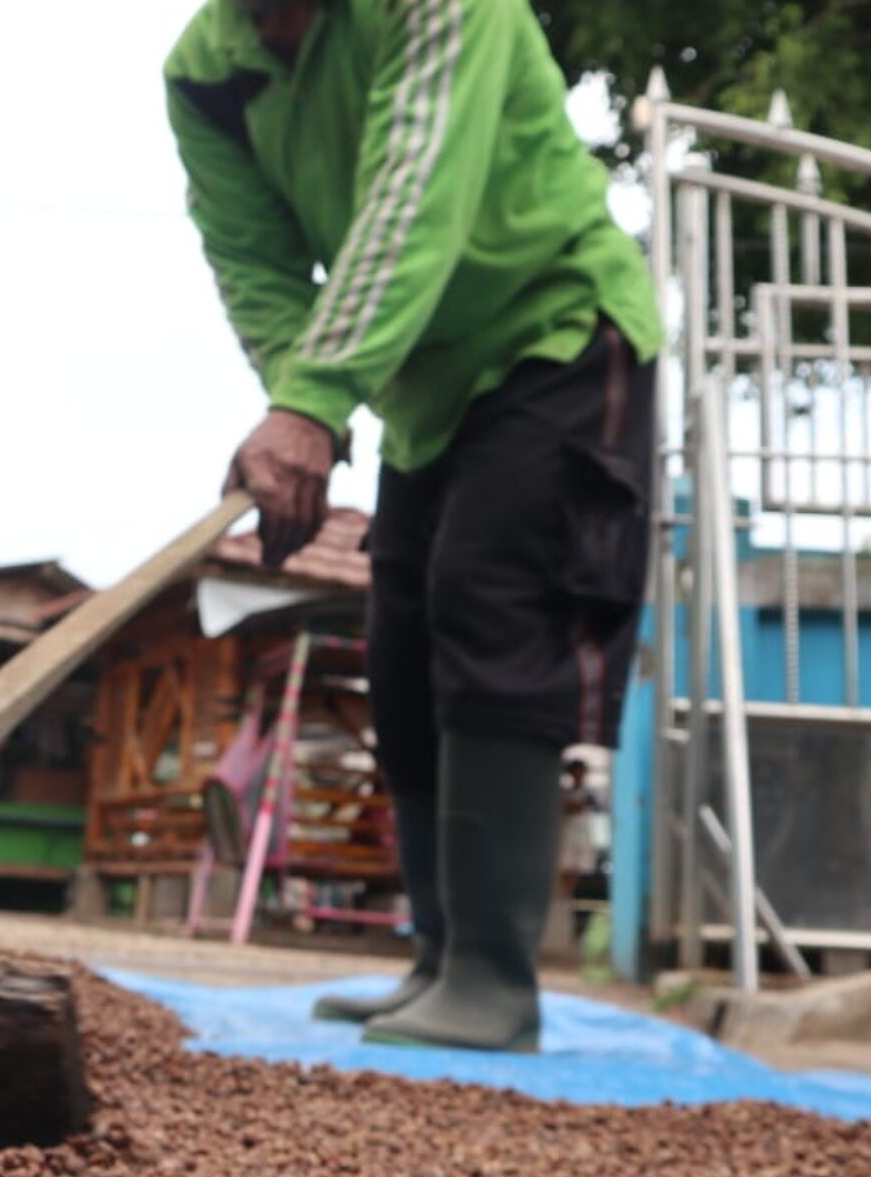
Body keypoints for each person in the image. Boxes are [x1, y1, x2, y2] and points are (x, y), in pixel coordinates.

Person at [166, 0, 662, 1051]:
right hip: (417, 394)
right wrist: (297, 396)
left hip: (554, 333)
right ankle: (438, 957)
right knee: (402, 655)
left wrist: (314, 398)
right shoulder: (206, 73)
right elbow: (248, 258)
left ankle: (493, 979)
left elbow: (412, 191)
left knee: (495, 613)